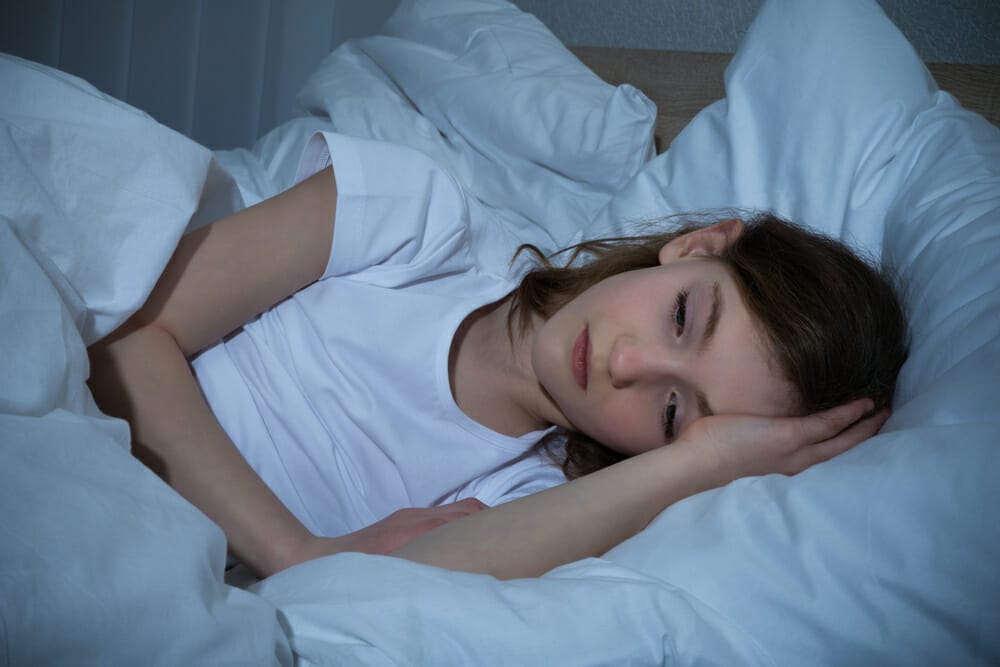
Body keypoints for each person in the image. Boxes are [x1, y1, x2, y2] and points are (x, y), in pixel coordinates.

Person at [87, 133, 906, 580]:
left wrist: (696, 465)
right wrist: (294, 553)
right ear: (693, 245)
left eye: (671, 412)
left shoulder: (530, 498)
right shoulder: (419, 219)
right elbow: (126, 335)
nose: (626, 364)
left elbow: (392, 599)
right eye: (682, 317)